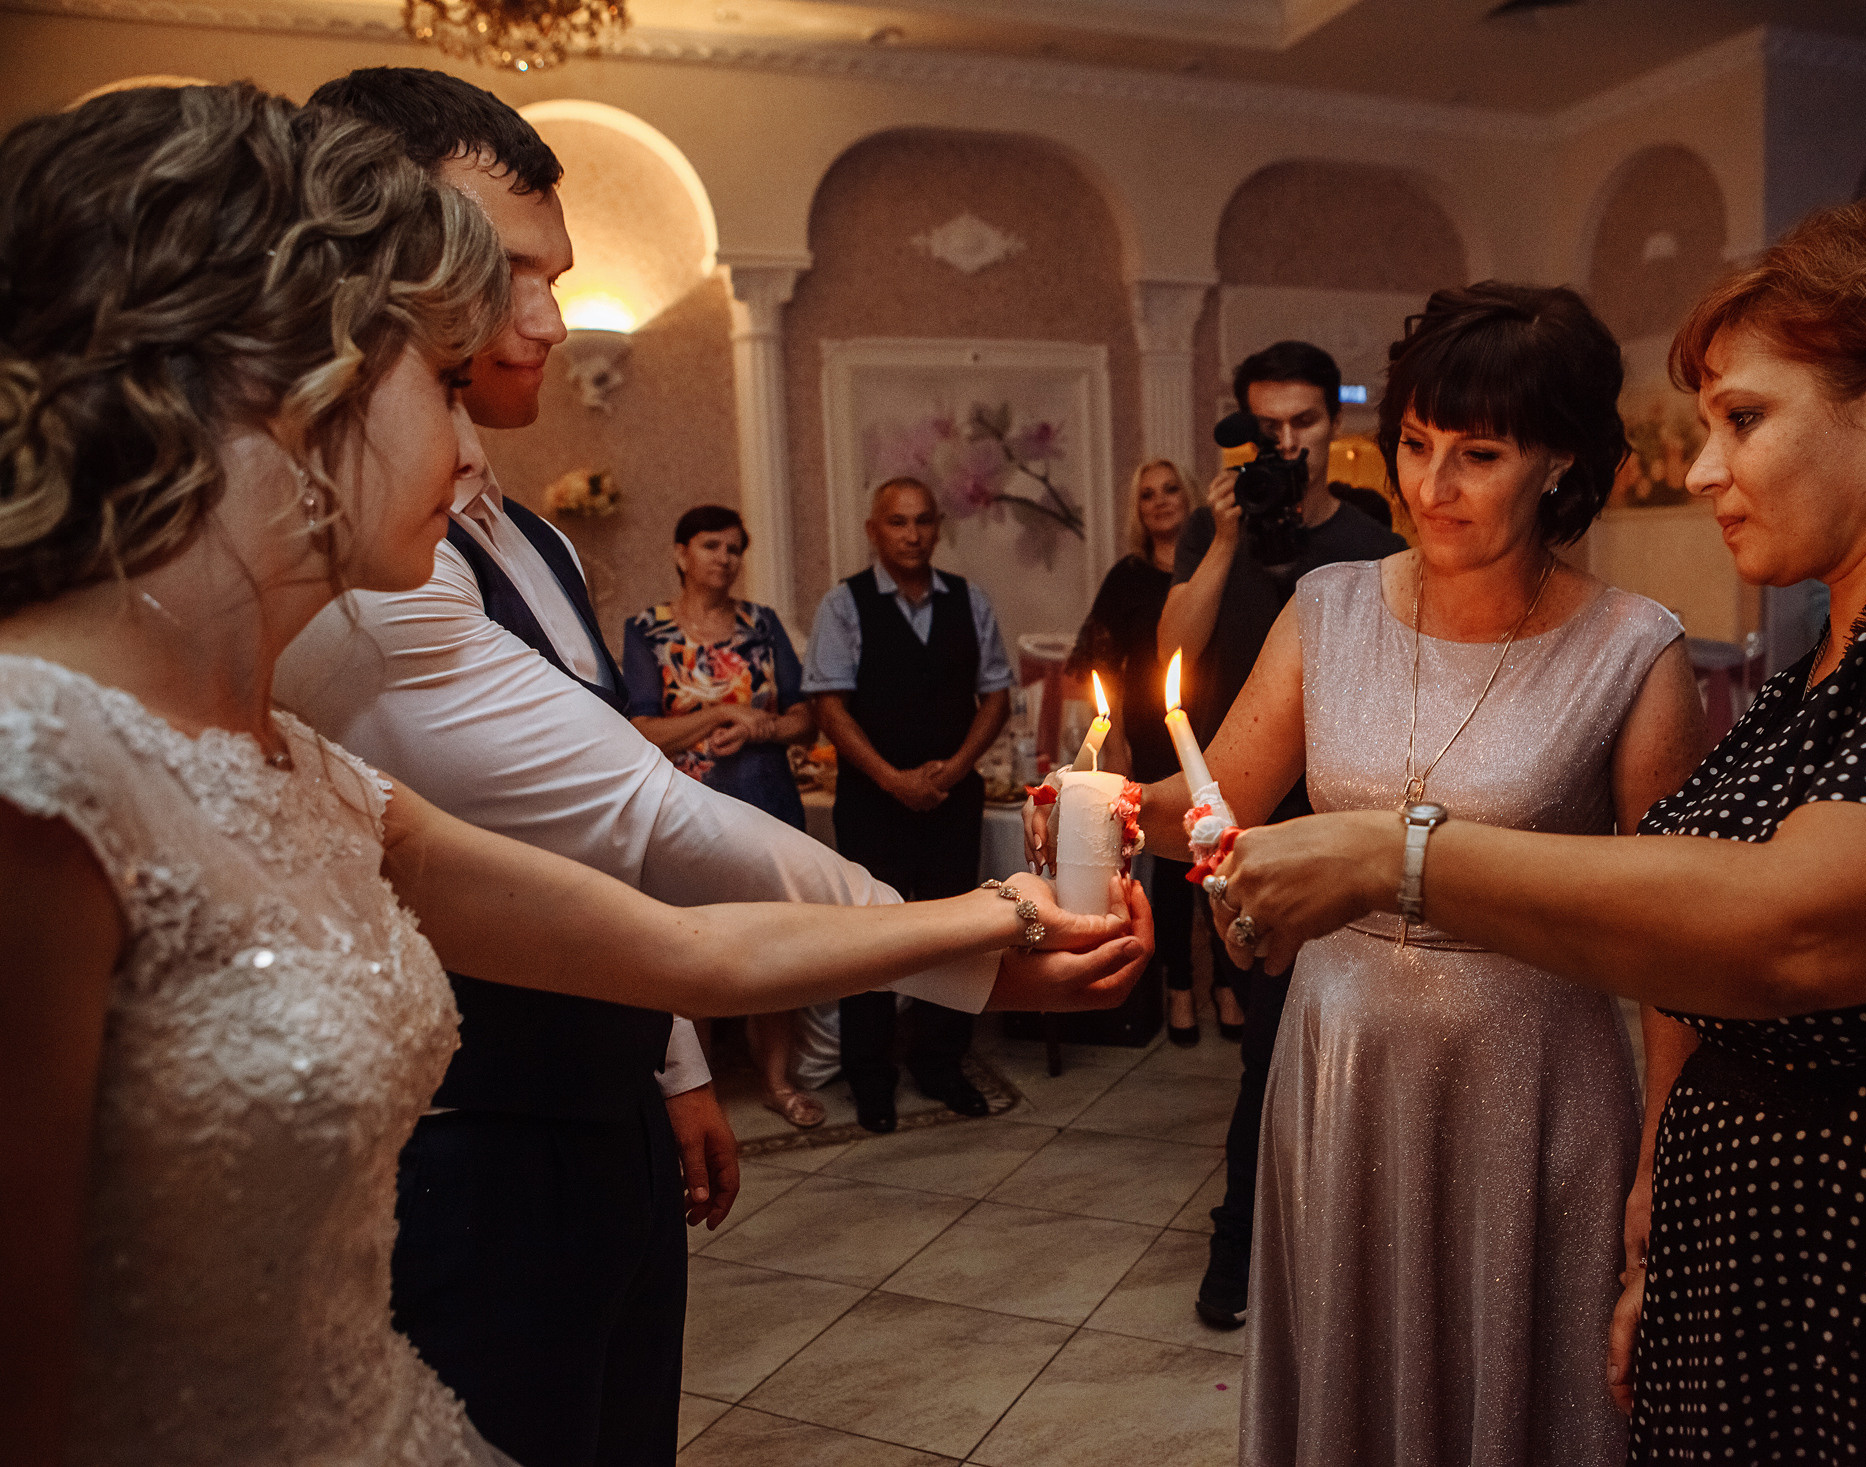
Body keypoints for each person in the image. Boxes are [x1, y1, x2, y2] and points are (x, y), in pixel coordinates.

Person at [0, 82, 1149, 1465]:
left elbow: (677, 944)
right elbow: (645, 818)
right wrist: (988, 939)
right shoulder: (43, 777)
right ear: (275, 394)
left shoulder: (300, 764)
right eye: (436, 379)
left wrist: (998, 921)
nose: (478, 442)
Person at [1208, 194, 1866, 1465]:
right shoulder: (1826, 675)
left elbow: (1799, 930)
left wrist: (1387, 856)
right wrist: (1661, 1220)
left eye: (1742, 418)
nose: (1699, 467)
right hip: (1782, 1294)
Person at [1096, 284, 1706, 1463]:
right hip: (1341, 1068)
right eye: (1416, 447)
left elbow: (1672, 945)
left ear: (1558, 462)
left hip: (1535, 1083)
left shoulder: (1634, 650)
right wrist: (1104, 806)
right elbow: (1209, 809)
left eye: (1477, 454)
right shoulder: (1328, 610)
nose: (1430, 487)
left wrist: (1655, 1182)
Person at [1151, 339, 1405, 1329]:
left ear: (1331, 429)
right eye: (1268, 426)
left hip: (1346, 825)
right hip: (1236, 816)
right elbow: (1169, 652)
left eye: (1303, 423)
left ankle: (1349, 1241)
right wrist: (1217, 543)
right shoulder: (1213, 535)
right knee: (1265, 1049)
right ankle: (1239, 1244)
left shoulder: (1372, 542)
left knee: (1351, 1044)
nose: (1286, 441)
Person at [807, 478, 1015, 1133]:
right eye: (898, 522)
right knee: (871, 938)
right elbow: (829, 705)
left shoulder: (969, 599)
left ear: (937, 527)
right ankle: (871, 1076)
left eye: (924, 521)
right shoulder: (844, 603)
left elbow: (997, 696)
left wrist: (952, 770)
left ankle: (942, 1065)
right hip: (874, 801)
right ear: (874, 529)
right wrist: (893, 779)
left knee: (955, 935)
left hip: (954, 798)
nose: (912, 533)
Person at [623, 503, 828, 1128]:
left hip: (768, 800)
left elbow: (804, 717)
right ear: (681, 553)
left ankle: (776, 1081)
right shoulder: (648, 630)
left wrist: (763, 726)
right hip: (688, 810)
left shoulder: (762, 624)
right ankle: (700, 1091)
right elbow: (640, 727)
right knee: (694, 948)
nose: (725, 558)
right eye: (711, 545)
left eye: (735, 547)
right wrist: (720, 714)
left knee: (776, 944)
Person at [1068, 458, 1237, 1045]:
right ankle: (1180, 989)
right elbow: (1101, 663)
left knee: (1223, 849)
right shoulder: (1128, 577)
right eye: (1147, 495)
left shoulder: (1219, 563)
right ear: (1136, 510)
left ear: (1190, 497)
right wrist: (1112, 740)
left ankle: (1229, 987)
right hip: (1149, 730)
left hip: (1222, 723)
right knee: (1170, 865)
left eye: (1170, 490)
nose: (1161, 501)